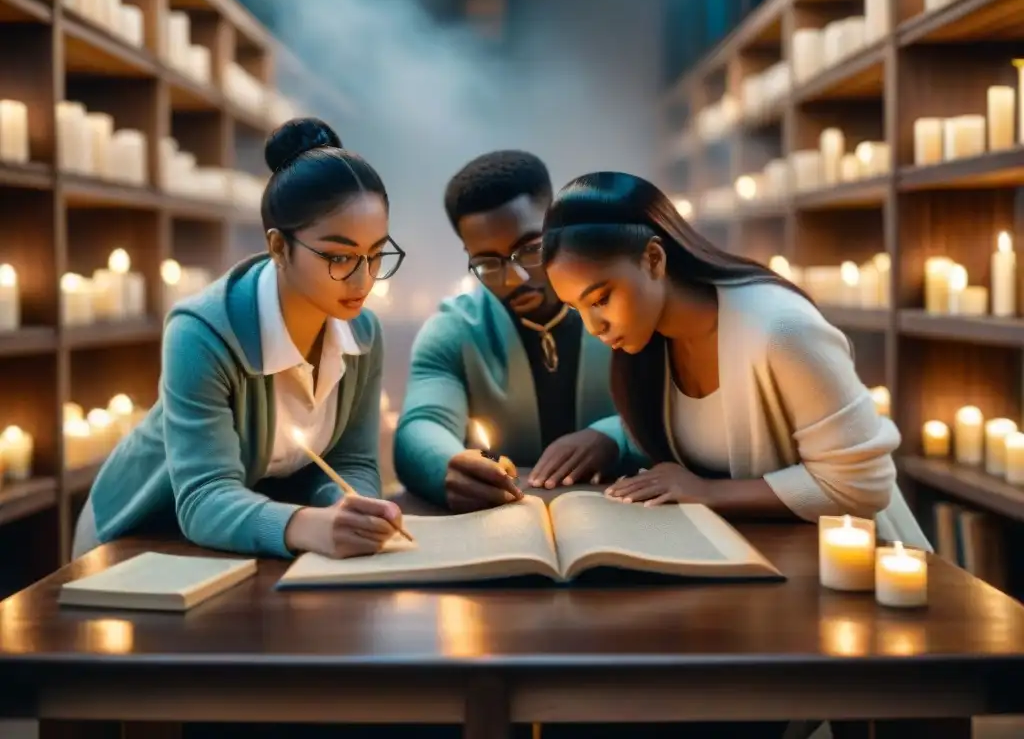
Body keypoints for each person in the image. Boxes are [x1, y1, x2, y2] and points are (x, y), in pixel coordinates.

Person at [71, 118, 408, 561]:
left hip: (251, 542)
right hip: (140, 542)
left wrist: (350, 511)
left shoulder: (362, 333)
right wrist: (309, 525)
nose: (364, 278)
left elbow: (354, 463)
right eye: (340, 257)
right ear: (278, 248)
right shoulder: (202, 331)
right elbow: (203, 497)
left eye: (376, 253)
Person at [541, 171, 929, 549]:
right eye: (577, 309)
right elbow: (705, 430)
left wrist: (707, 492)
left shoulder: (781, 331)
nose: (594, 326)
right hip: (766, 559)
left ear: (654, 259)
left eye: (601, 299)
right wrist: (609, 437)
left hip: (860, 564)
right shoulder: (653, 341)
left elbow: (860, 486)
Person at [394, 151, 639, 513]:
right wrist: (446, 465)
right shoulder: (454, 330)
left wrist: (615, 437)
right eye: (487, 263)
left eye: (530, 249)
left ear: (557, 223)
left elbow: (681, 413)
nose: (515, 278)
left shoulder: (624, 302)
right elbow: (420, 427)